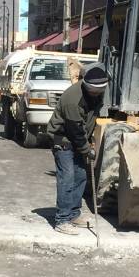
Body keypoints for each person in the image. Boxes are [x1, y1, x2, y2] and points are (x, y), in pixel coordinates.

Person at [48, 62, 110, 235]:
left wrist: (89, 140)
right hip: (64, 140)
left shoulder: (97, 94)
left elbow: (88, 120)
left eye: (100, 91)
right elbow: (75, 130)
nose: (97, 94)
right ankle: (62, 219)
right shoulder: (73, 100)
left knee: (81, 177)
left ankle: (74, 214)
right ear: (87, 86)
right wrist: (86, 149)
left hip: (78, 139)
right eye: (94, 91)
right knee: (67, 178)